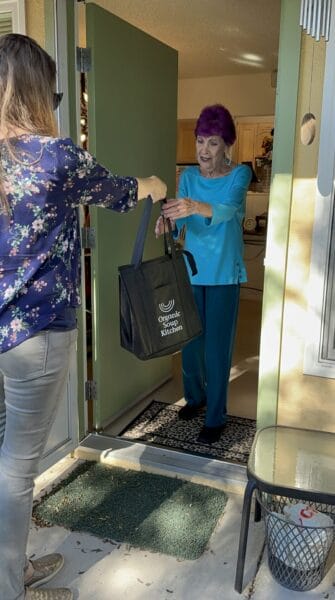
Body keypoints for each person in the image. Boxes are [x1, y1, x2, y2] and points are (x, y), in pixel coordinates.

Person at [0, 34, 167, 600]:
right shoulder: (56, 156)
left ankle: (12, 570)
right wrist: (157, 185)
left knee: (8, 461)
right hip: (39, 333)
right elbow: (124, 191)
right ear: (36, 92)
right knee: (17, 469)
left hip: (3, 331)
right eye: (53, 90)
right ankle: (10, 586)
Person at [156, 104, 251, 445]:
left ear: (227, 145)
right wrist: (167, 220)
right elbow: (181, 219)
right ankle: (195, 399)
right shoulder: (190, 178)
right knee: (191, 345)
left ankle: (216, 416)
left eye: (212, 142)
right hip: (191, 272)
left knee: (216, 350)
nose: (204, 150)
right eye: (200, 141)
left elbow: (229, 210)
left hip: (224, 274)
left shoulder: (240, 175)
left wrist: (194, 206)